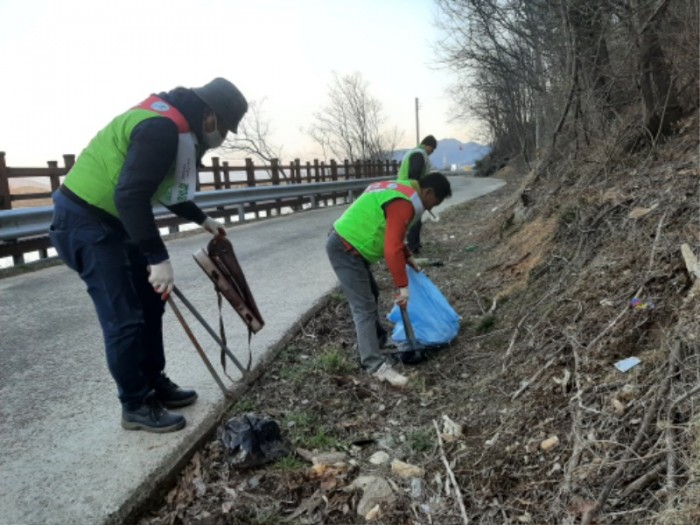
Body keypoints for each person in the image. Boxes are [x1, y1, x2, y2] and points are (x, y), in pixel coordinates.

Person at [48, 78, 248, 433]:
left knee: (151, 303)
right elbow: (130, 195)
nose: (224, 138)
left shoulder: (177, 127)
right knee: (123, 317)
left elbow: (166, 187)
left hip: (115, 220)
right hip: (84, 223)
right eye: (226, 128)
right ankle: (135, 404)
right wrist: (158, 258)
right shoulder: (160, 128)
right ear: (209, 116)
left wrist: (202, 219)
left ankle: (154, 381)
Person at [326, 172, 452, 387]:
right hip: (345, 248)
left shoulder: (401, 189)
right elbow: (391, 247)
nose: (432, 208)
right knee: (363, 307)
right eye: (435, 202)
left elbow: (392, 233)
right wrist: (403, 287)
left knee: (372, 294)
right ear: (428, 192)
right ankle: (374, 364)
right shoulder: (405, 202)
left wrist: (408, 256)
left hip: (350, 244)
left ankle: (379, 340)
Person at [397, 135, 437, 254]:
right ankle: (412, 246)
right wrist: (419, 189)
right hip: (409, 190)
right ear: (427, 145)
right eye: (432, 149)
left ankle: (414, 244)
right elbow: (414, 173)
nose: (432, 152)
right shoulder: (419, 154)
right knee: (414, 219)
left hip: (404, 188)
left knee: (415, 218)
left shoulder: (414, 152)